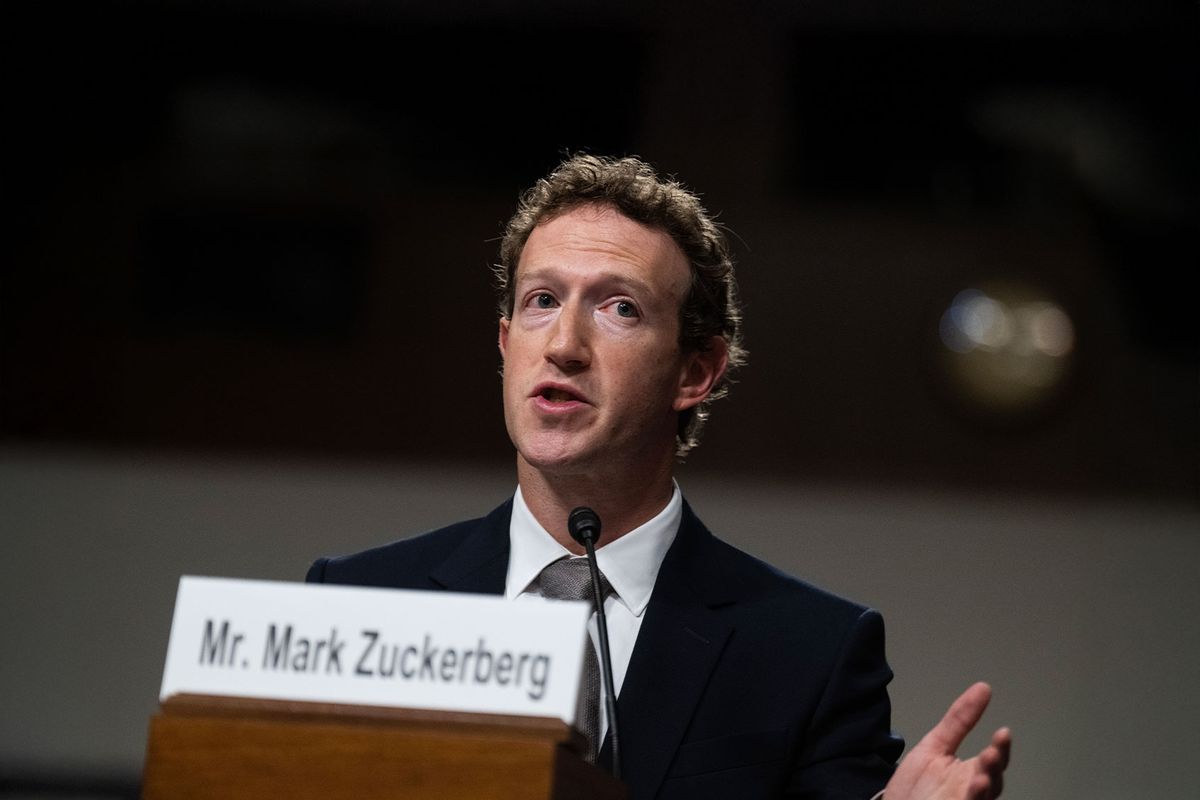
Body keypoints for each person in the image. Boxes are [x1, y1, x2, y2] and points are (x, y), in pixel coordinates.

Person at [307, 155, 1011, 799]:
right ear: (504, 343)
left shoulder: (809, 653)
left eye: (620, 308)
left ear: (695, 370)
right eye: (542, 301)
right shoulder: (358, 601)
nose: (563, 346)